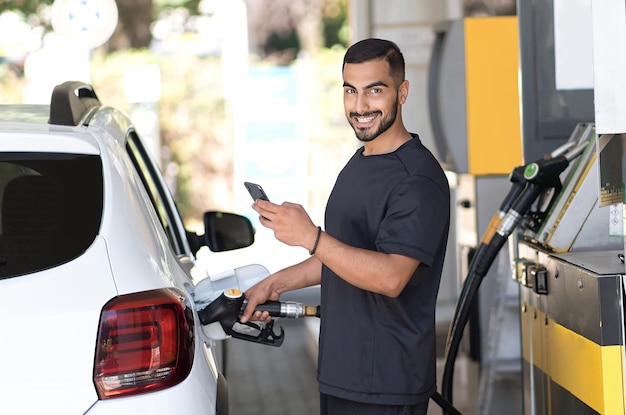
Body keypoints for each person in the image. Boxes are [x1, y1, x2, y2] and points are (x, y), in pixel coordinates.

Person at [240, 38, 450, 415]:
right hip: (342, 375)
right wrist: (273, 285)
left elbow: (390, 277)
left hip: (386, 384)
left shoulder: (417, 180)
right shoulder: (360, 161)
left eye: (375, 90)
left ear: (402, 92)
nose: (360, 106)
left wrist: (311, 237)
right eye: (351, 90)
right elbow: (345, 257)